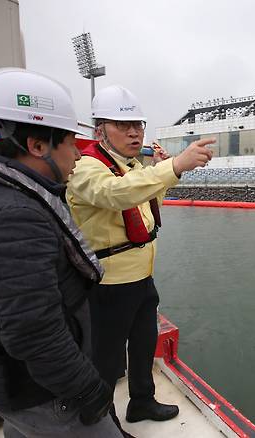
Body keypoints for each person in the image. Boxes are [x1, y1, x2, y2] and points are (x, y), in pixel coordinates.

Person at [0, 68, 121, 437]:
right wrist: (89, 389)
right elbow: (34, 333)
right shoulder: (11, 217)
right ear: (38, 145)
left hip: (11, 382)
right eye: (70, 142)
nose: (77, 153)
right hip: (47, 392)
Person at [66, 85, 214, 429]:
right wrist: (173, 166)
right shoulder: (87, 167)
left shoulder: (133, 166)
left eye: (138, 124)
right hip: (108, 283)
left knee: (145, 342)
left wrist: (168, 174)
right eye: (123, 125)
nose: (134, 132)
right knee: (105, 358)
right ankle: (104, 423)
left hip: (141, 277)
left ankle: (142, 402)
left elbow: (146, 203)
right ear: (99, 130)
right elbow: (117, 195)